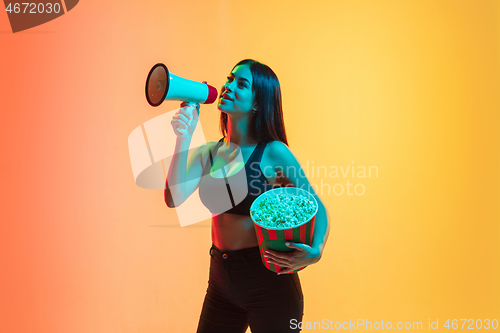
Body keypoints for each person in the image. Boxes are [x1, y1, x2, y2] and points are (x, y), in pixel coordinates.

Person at [165, 59, 330, 333]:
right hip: (220, 279)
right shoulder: (208, 153)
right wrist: (184, 136)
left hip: (268, 283)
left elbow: (317, 207)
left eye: (241, 84)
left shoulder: (273, 152)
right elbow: (174, 198)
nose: (228, 86)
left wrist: (317, 251)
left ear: (257, 103)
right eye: (230, 79)